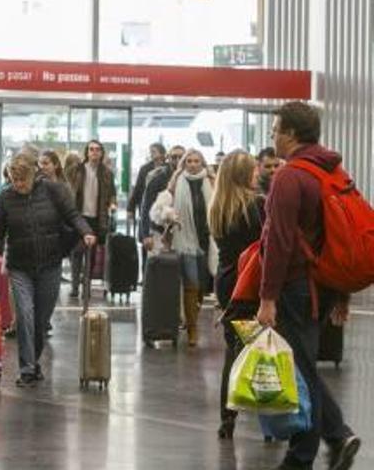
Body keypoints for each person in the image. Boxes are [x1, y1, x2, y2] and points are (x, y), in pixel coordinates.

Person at [256, 102, 360, 470]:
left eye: (275, 131)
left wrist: (267, 298)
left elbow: (279, 243)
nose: (272, 138)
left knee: (300, 372)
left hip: (298, 288)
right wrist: (343, 293)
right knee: (306, 366)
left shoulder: (289, 177)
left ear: (291, 134)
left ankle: (301, 456)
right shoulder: (332, 171)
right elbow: (341, 237)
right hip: (326, 283)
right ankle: (338, 435)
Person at [0, 153, 95, 388]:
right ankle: (26, 369)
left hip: (50, 263)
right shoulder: (5, 196)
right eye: (14, 179)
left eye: (22, 179)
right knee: (24, 315)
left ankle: (33, 363)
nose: (19, 184)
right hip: (19, 265)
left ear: (34, 175)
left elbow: (73, 215)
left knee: (40, 319)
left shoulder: (53, 191)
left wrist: (86, 232)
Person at [207, 150, 266, 439]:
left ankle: (226, 418)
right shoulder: (257, 206)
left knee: (234, 349)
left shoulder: (218, 206)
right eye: (255, 170)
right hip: (251, 281)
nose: (259, 174)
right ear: (245, 174)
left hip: (227, 281)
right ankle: (270, 417)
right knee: (263, 346)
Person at [150, 149, 215, 347]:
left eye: (197, 161)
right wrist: (169, 215)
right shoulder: (177, 181)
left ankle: (191, 319)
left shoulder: (211, 182)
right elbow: (158, 210)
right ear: (184, 164)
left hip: (206, 240)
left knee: (202, 287)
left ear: (202, 163)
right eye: (190, 161)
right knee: (191, 284)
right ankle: (193, 328)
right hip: (184, 240)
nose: (193, 164)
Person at [68, 140, 116, 298]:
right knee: (77, 252)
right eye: (91, 149)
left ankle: (86, 284)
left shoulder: (107, 173)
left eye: (97, 150)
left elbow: (112, 194)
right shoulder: (77, 170)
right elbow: (69, 190)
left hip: (98, 217)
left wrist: (113, 205)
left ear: (102, 153)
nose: (94, 152)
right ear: (87, 152)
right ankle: (75, 286)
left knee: (93, 254)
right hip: (79, 216)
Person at [140, 145, 186, 253]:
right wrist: (146, 234)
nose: (177, 160)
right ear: (168, 158)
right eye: (174, 157)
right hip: (159, 231)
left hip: (183, 232)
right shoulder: (157, 179)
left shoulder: (189, 179)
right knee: (158, 265)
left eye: (181, 157)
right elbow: (146, 207)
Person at [127, 143, 166, 221]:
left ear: (162, 153)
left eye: (154, 152)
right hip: (146, 204)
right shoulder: (145, 169)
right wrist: (131, 208)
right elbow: (138, 188)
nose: (151, 154)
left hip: (162, 205)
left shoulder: (167, 168)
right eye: (150, 152)